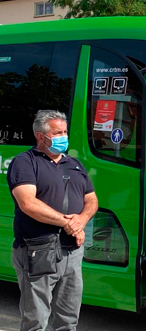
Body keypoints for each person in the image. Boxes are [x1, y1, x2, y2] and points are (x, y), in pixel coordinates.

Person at [7, 110, 98, 331]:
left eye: (65, 131)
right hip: (39, 250)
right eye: (57, 132)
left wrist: (81, 220)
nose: (63, 136)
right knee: (36, 320)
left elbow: (92, 199)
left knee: (68, 319)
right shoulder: (25, 163)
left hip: (71, 251)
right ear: (40, 136)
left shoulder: (74, 164)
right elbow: (28, 203)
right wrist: (67, 223)